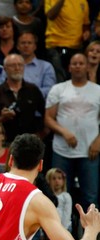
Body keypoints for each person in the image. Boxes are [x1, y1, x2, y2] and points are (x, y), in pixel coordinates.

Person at [45, 53, 100, 212]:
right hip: (62, 150)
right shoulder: (59, 89)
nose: (77, 66)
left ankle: (91, 235)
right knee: (58, 194)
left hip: (90, 151)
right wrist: (64, 132)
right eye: (74, 63)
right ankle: (59, 233)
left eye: (81, 63)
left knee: (91, 197)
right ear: (69, 67)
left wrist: (98, 141)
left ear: (87, 67)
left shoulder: (97, 90)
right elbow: (48, 118)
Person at [0, 53, 45, 145]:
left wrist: (40, 136)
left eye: (20, 65)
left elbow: (46, 115)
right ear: (5, 69)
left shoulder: (33, 90)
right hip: (4, 145)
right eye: (13, 65)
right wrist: (2, 118)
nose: (17, 68)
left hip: (30, 145)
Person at [44, 0, 89, 82]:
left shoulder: (83, 2)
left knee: (76, 79)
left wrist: (86, 32)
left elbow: (85, 24)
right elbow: (50, 15)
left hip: (76, 47)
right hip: (56, 45)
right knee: (59, 79)